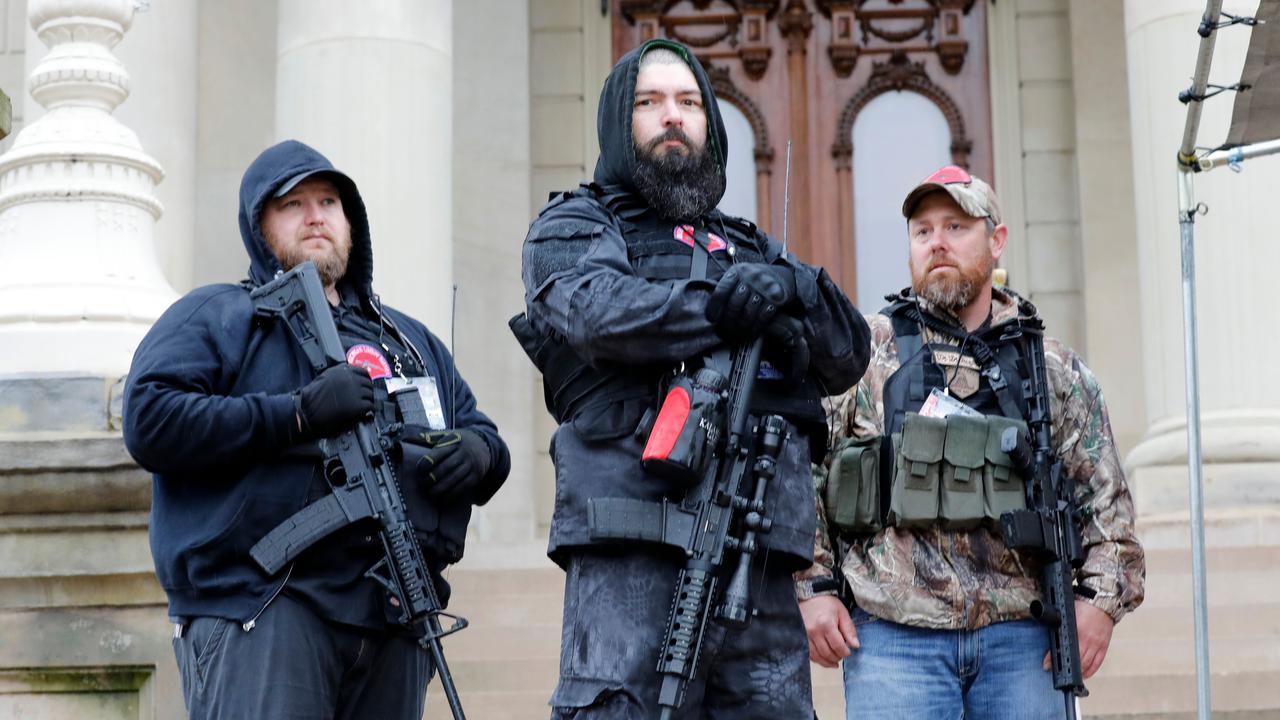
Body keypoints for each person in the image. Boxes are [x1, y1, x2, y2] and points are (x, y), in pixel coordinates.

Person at [512, 38, 870, 718]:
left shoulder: (752, 246)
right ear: (621, 121)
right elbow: (595, 313)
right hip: (632, 543)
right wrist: (728, 311)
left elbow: (847, 354)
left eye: (687, 102)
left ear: (710, 123)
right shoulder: (575, 223)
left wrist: (792, 285)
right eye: (649, 103)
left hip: (753, 553)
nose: (671, 116)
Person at [123, 140, 510, 719]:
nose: (315, 216)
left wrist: (479, 454)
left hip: (396, 614)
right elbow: (150, 417)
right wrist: (295, 413)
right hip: (265, 611)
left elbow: (482, 431)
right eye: (292, 204)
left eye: (329, 201)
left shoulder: (409, 339)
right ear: (259, 226)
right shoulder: (221, 314)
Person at [796, 165, 1146, 719]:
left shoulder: (1050, 367)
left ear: (996, 238)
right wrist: (812, 588)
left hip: (1024, 642)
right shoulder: (863, 355)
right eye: (923, 231)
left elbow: (1107, 506)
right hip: (892, 640)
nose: (937, 242)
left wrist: (1100, 604)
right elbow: (803, 476)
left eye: (956, 226)